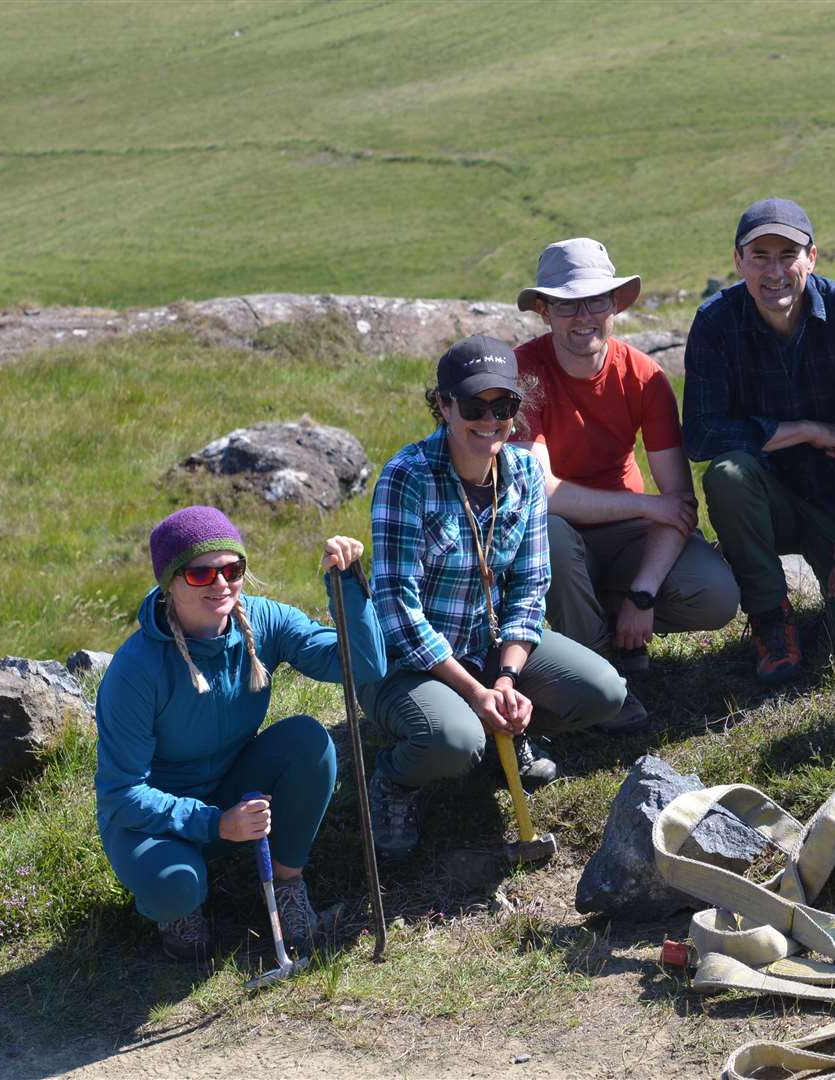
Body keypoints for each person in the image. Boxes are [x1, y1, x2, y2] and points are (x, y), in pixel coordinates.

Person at [363, 333, 627, 861]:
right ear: (442, 405)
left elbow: (530, 587)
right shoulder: (406, 477)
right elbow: (397, 607)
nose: (490, 420)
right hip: (408, 665)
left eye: (503, 405)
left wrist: (504, 681)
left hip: (490, 650)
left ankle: (507, 726)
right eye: (473, 406)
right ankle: (395, 781)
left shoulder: (525, 472)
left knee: (605, 691)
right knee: (455, 743)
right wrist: (473, 691)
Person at [94, 506, 385, 962]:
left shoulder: (263, 621)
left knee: (309, 742)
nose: (220, 583)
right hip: (151, 822)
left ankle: (287, 884)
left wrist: (346, 585)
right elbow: (120, 794)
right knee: (176, 885)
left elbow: (363, 666)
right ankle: (179, 909)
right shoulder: (135, 670)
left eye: (232, 569)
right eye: (200, 574)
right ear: (169, 582)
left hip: (230, 789)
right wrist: (216, 824)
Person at [684, 197, 835, 681]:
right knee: (729, 474)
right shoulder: (716, 323)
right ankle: (770, 616)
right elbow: (702, 434)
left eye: (787, 255)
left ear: (811, 259)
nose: (775, 272)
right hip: (767, 501)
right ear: (738, 261)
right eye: (760, 256)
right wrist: (805, 431)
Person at [512, 238, 739, 728]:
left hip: (628, 534)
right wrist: (648, 507)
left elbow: (677, 503)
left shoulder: (645, 377)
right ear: (544, 311)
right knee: (546, 530)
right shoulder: (523, 374)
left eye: (595, 300)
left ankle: (616, 625)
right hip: (561, 533)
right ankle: (599, 671)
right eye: (566, 303)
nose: (582, 316)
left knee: (717, 594)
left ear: (615, 304)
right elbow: (542, 492)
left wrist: (643, 595)